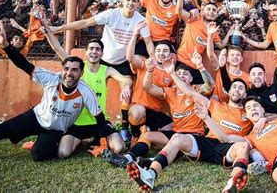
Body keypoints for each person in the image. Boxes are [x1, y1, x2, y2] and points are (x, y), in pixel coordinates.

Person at [0, 21, 109, 162]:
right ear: (62, 70)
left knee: (39, 155)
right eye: (66, 69)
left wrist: (103, 144)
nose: (69, 73)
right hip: (36, 117)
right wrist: (5, 45)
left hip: (55, 130)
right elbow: (23, 64)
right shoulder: (51, 79)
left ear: (81, 73)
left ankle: (42, 143)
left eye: (74, 70)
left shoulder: (85, 91)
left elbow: (99, 117)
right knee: (4, 129)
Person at [51, 0, 154, 141]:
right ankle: (75, 123)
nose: (131, 3)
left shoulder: (140, 21)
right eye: (128, 0)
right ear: (122, 2)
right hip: (102, 58)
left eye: (134, 1)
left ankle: (125, 127)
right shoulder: (112, 14)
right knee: (87, 89)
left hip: (122, 61)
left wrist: (153, 58)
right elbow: (85, 22)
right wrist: (58, 29)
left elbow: (148, 41)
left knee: (127, 91)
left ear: (138, 4)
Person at [126, 77, 254, 192]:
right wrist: (171, 72)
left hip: (228, 149)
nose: (237, 90)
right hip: (207, 143)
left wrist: (262, 120)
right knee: (177, 138)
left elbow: (271, 117)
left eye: (241, 88)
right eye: (234, 87)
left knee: (243, 147)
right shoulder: (215, 105)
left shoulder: (249, 113)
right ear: (229, 91)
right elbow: (190, 92)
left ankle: (232, 184)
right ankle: (150, 175)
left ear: (245, 94)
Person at [103, 55, 213, 168]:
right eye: (179, 74)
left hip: (193, 136)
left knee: (174, 147)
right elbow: (148, 87)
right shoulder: (171, 92)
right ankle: (127, 158)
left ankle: (148, 161)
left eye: (185, 74)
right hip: (176, 133)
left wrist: (200, 66)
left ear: (191, 79)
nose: (181, 76)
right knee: (147, 136)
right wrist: (150, 70)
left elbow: (209, 86)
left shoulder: (196, 90)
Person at [40, 24, 131, 158]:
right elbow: (57, 48)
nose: (94, 52)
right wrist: (48, 32)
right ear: (86, 52)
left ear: (102, 53)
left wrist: (127, 86)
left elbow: (126, 80)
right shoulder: (77, 67)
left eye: (98, 49)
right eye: (91, 49)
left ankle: (96, 139)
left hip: (100, 122)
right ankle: (84, 139)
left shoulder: (106, 70)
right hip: (77, 122)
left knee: (119, 148)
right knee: (63, 153)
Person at [125, 21, 174, 145]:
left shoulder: (171, 72)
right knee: (138, 113)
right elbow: (130, 57)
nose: (161, 53)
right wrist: (135, 35)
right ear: (154, 53)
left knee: (171, 128)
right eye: (158, 51)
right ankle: (135, 134)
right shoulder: (145, 62)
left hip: (155, 111)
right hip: (139, 106)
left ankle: (147, 134)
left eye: (165, 51)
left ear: (170, 55)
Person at [175, 0, 228, 84]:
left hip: (196, 65)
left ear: (217, 15)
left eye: (214, 10)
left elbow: (221, 45)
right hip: (181, 61)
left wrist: (230, 32)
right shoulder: (195, 18)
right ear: (202, 11)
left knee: (208, 88)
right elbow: (179, 12)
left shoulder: (214, 30)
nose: (211, 12)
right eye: (208, 9)